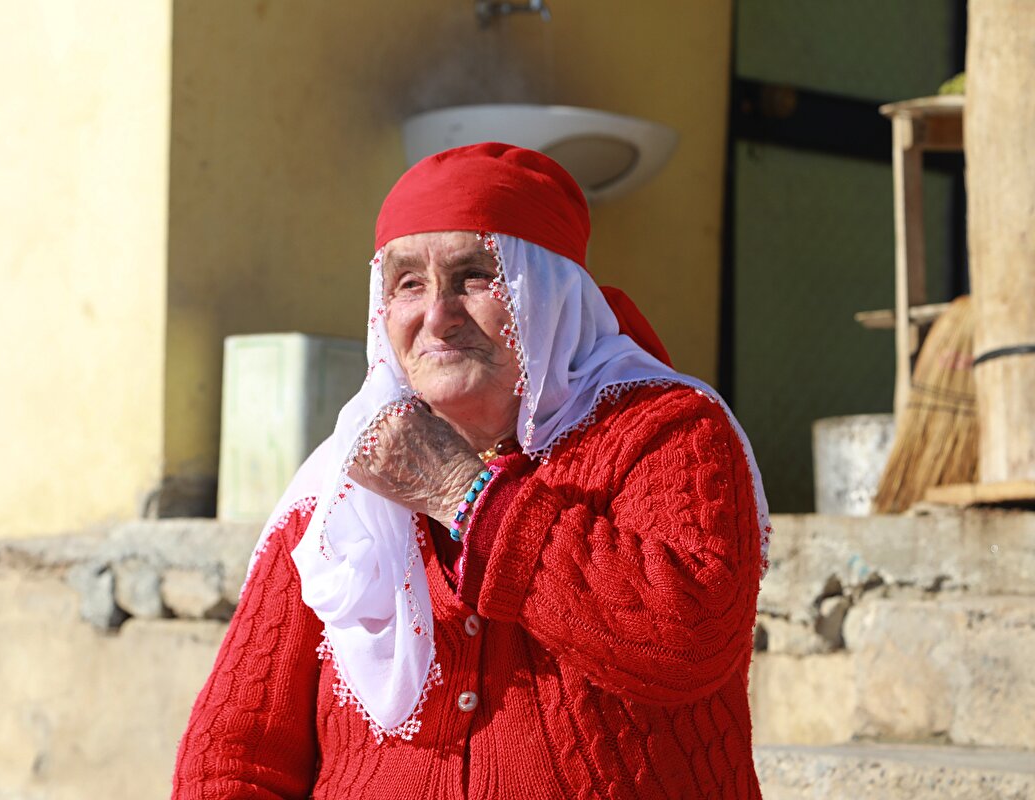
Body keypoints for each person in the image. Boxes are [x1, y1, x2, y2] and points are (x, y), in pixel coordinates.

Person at [171, 142, 770, 799]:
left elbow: (688, 641)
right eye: (408, 283)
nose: (437, 316)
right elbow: (233, 755)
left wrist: (466, 494)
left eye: (474, 277)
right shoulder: (344, 483)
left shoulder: (666, 431)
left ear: (548, 293)